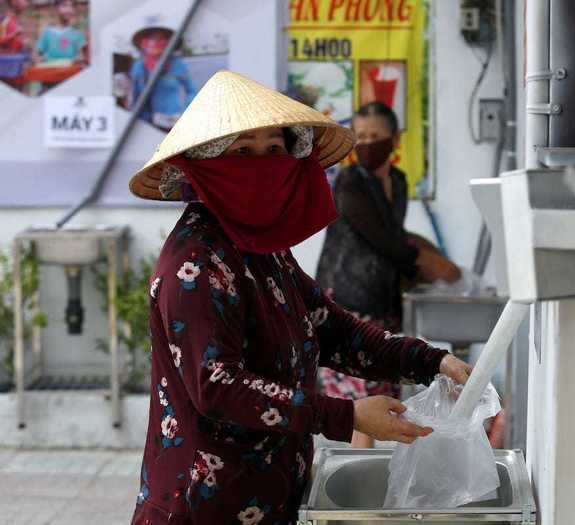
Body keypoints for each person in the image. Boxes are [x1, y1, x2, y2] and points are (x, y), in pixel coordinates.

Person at [128, 71, 471, 525]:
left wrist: (431, 362)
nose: (262, 164)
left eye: (274, 149)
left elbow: (333, 329)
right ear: (204, 166)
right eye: (242, 151)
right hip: (202, 507)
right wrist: (345, 414)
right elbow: (218, 386)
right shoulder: (194, 264)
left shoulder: (262, 247)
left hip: (271, 496)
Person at [315, 101, 462, 448]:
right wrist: (425, 261)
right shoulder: (350, 183)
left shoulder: (397, 180)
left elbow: (395, 239)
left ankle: (369, 483)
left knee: (385, 399)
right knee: (362, 409)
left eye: (376, 136)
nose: (367, 144)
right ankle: (359, 488)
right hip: (347, 300)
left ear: (395, 139)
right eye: (361, 136)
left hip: (384, 300)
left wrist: (420, 261)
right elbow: (387, 241)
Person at [129, 26, 196, 131]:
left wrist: (185, 112)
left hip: (173, 121)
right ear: (144, 43)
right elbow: (134, 95)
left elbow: (192, 91)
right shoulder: (138, 66)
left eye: (160, 39)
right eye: (151, 38)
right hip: (145, 122)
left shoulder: (177, 64)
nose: (154, 43)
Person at [35, 0, 86, 65]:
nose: (69, 10)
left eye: (72, 6)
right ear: (56, 8)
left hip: (70, 71)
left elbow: (81, 56)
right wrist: (41, 60)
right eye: (64, 6)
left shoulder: (78, 34)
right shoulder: (47, 33)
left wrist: (78, 59)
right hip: (50, 72)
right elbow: (37, 55)